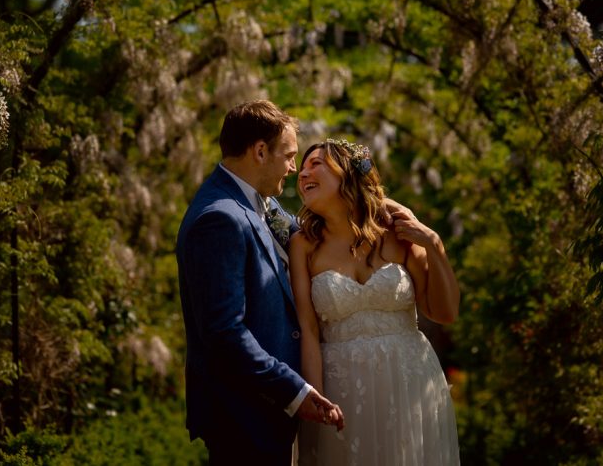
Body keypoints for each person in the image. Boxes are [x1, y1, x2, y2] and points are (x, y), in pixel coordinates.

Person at [176, 100, 345, 466]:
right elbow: (224, 333)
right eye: (288, 156)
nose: (292, 168)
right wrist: (294, 391)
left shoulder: (260, 204)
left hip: (264, 416)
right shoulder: (219, 218)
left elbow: (312, 236)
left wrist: (373, 213)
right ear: (260, 151)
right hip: (244, 416)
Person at [290, 139, 461, 466]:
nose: (303, 173)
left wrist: (433, 243)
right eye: (301, 168)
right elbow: (308, 329)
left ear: (348, 174)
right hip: (341, 388)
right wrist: (316, 398)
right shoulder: (303, 244)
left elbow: (445, 312)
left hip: (408, 380)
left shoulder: (398, 230)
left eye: (316, 164)